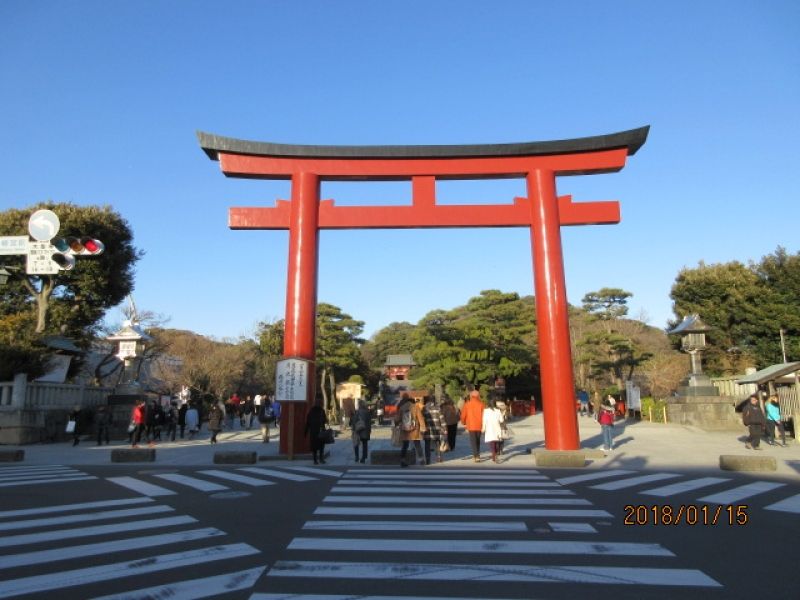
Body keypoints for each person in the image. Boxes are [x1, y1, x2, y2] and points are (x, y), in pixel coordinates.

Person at [395, 394, 426, 467]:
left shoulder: (402, 407)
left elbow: (397, 419)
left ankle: (402, 460)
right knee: (417, 444)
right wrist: (423, 427)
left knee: (405, 445)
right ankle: (421, 460)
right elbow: (420, 418)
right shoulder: (415, 407)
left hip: (405, 429)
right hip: (415, 429)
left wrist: (396, 424)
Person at [460, 390, 485, 462]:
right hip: (479, 425)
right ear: (478, 396)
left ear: (471, 396)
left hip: (471, 425)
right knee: (477, 440)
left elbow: (463, 415)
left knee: (473, 441)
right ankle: (477, 454)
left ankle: (476, 456)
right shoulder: (481, 404)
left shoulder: (467, 404)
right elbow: (484, 415)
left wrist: (463, 422)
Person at [422, 396, 446, 464]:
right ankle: (438, 457)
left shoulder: (424, 408)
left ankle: (427, 460)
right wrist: (444, 428)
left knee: (427, 444)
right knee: (437, 443)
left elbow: (422, 419)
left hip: (428, 429)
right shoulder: (437, 408)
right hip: (437, 429)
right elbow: (442, 419)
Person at [482, 397, 505, 463]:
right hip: (496, 428)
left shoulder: (486, 411)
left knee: (492, 443)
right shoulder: (498, 411)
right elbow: (501, 420)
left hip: (489, 428)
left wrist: (483, 428)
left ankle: (494, 455)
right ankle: (495, 455)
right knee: (496, 442)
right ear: (495, 404)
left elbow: (484, 420)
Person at [350, 399, 372, 463]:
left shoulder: (357, 412)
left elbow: (354, 421)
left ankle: (357, 457)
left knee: (356, 443)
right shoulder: (367, 412)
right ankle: (363, 458)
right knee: (365, 444)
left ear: (359, 405)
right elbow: (369, 422)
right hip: (365, 430)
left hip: (358, 430)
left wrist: (353, 429)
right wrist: (369, 430)